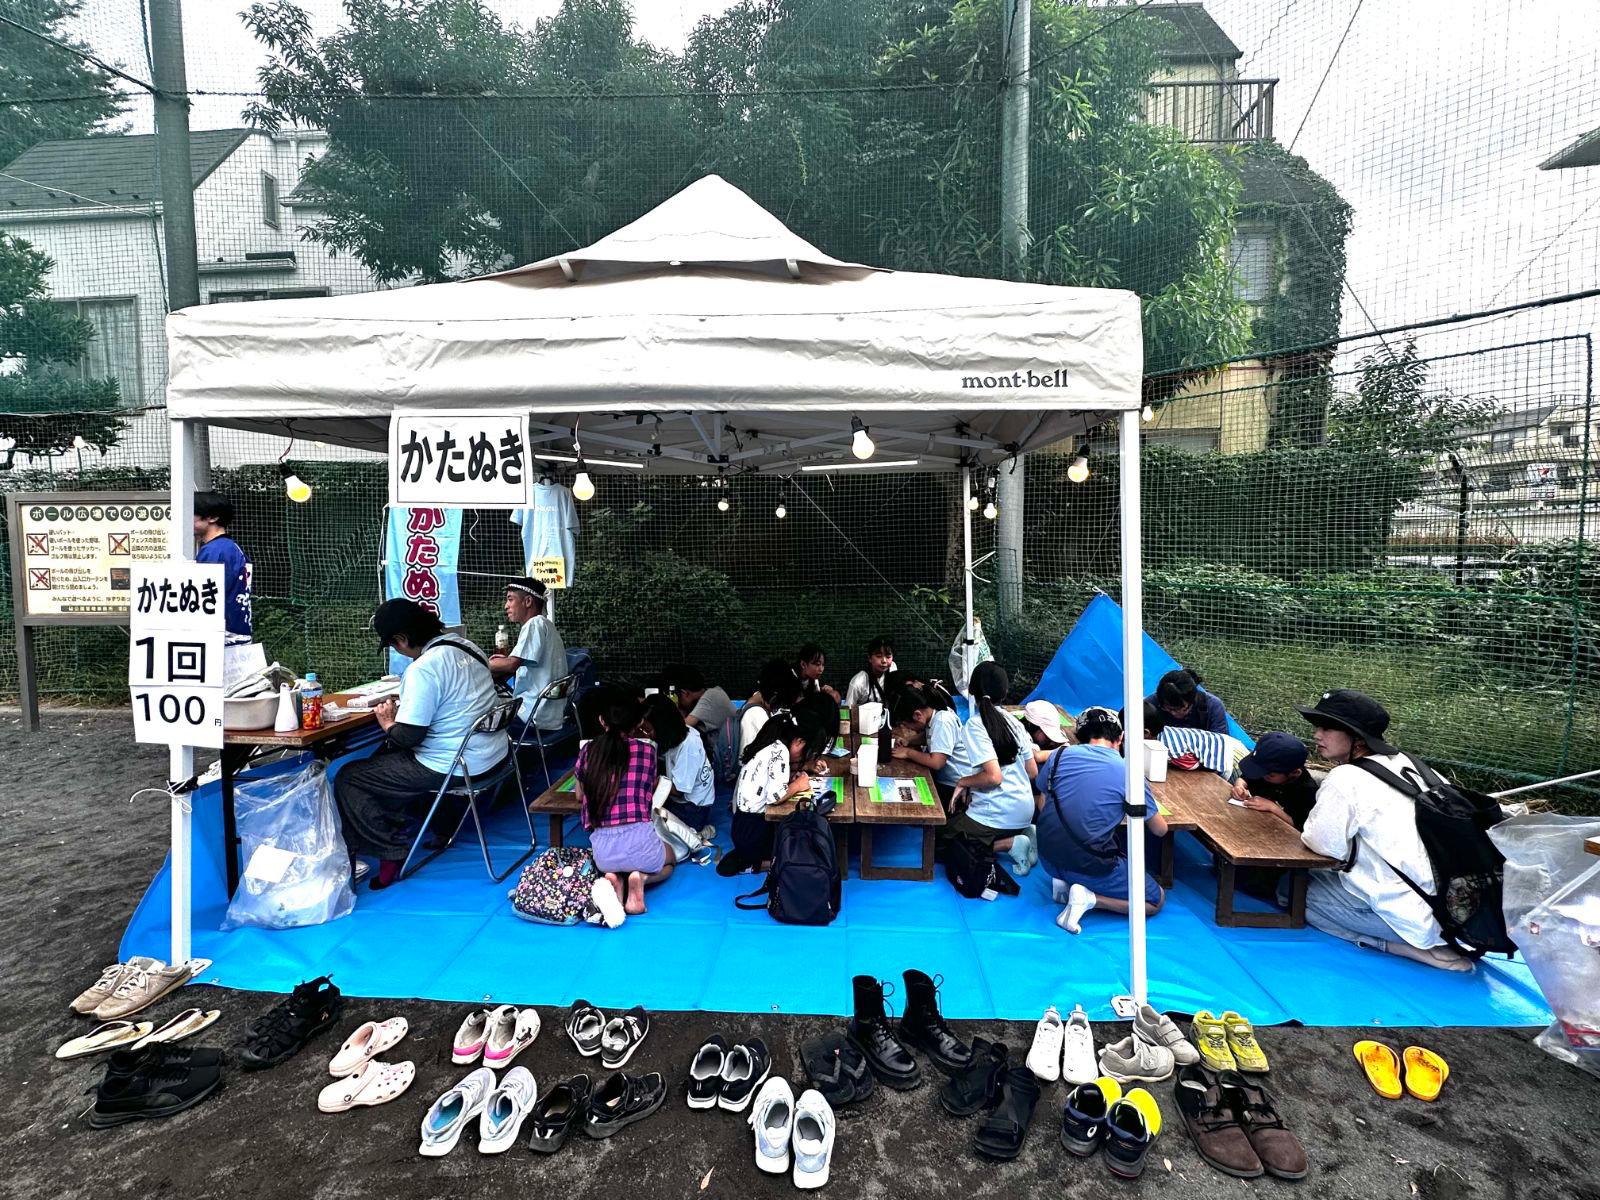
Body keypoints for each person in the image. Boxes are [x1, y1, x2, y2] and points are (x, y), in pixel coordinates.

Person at [334, 599, 507, 891]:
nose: (396, 650)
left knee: (350, 777)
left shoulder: (423, 669)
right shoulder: (469, 647)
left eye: (392, 644)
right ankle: (429, 826)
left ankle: (390, 850)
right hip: (494, 754)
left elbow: (409, 737)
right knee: (383, 760)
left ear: (402, 638)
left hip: (455, 765)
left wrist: (388, 722)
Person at [1295, 689, 1472, 972]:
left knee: (1290, 893)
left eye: (1326, 728)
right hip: (1459, 911)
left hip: (1406, 915)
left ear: (1356, 736)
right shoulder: (1414, 764)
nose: (1317, 735)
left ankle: (1401, 947)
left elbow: (1324, 846)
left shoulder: (1345, 777)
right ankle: (1428, 942)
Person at [1034, 706, 1167, 935]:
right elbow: (1160, 830)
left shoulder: (1058, 756)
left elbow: (1042, 803)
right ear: (1121, 738)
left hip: (1047, 856)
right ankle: (1090, 899)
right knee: (1155, 900)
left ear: (1079, 736)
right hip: (1087, 864)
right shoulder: (1128, 773)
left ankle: (1064, 880)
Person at [576, 692, 673, 915]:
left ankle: (614, 878)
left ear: (602, 720)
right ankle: (641, 878)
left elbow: (580, 796)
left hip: (604, 854)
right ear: (638, 723)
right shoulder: (647, 751)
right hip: (641, 842)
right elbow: (649, 789)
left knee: (614, 863)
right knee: (670, 860)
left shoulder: (587, 751)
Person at [942, 662, 1039, 876]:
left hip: (997, 813)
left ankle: (1011, 843)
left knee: (942, 842)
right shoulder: (1015, 722)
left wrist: (963, 782)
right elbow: (1032, 772)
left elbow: (994, 777)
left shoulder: (975, 725)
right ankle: (1025, 831)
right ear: (1005, 692)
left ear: (972, 691)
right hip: (1025, 810)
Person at [716, 707, 832, 877]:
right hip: (754, 831)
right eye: (807, 752)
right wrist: (798, 785)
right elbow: (775, 797)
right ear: (799, 742)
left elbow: (772, 780)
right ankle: (760, 863)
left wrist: (800, 771)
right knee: (797, 847)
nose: (804, 757)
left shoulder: (775, 745)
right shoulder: (780, 753)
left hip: (742, 825)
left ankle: (754, 859)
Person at [488, 577, 568, 742]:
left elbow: (512, 665)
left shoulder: (534, 624)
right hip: (550, 715)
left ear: (528, 601)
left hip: (532, 716)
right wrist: (504, 662)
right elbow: (516, 662)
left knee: (481, 722)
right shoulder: (546, 625)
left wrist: (479, 663)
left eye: (510, 599)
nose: (506, 606)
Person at [639, 693, 716, 833]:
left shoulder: (688, 746)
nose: (646, 734)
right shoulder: (675, 735)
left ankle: (697, 832)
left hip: (693, 808)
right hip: (680, 798)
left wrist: (652, 783)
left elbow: (679, 791)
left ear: (662, 727)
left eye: (648, 730)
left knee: (651, 823)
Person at [193, 491, 253, 641]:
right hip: (237, 631)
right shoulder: (230, 547)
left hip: (222, 636)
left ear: (212, 517)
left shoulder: (215, 551)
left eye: (192, 513)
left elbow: (202, 597)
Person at [664, 664, 739, 781]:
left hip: (726, 770)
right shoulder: (712, 694)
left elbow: (679, 728)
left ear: (685, 693)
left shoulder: (711, 697)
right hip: (721, 763)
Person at [738, 658, 804, 758]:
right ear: (775, 695)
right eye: (781, 702)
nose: (779, 707)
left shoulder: (754, 705)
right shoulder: (755, 714)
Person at [1146, 668, 1230, 735]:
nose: (1174, 713)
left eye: (1180, 709)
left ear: (1192, 702)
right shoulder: (1150, 704)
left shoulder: (1212, 706)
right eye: (1169, 709)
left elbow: (1221, 742)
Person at [842, 635, 897, 709]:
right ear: (870, 658)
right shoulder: (858, 682)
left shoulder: (893, 668)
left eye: (888, 657)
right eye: (879, 656)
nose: (884, 661)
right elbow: (846, 709)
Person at [1021, 699, 1070, 766]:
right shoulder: (1023, 734)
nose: (1052, 742)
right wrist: (1062, 750)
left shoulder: (1034, 732)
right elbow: (1037, 757)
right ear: (1034, 727)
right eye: (1047, 737)